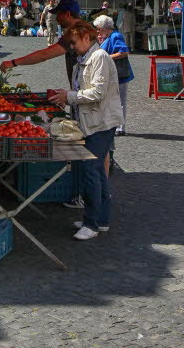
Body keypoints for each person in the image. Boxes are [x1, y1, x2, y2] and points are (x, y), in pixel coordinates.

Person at [48, 21, 123, 240]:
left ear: (85, 37)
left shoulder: (99, 57)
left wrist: (69, 97)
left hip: (100, 123)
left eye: (73, 41)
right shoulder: (83, 60)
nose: (71, 45)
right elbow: (82, 90)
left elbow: (96, 93)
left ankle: (91, 223)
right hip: (91, 122)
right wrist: (67, 96)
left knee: (91, 170)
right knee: (96, 171)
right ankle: (102, 219)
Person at [1, 0, 85, 86]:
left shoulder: (74, 33)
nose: (56, 18)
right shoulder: (84, 28)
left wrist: (13, 63)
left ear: (67, 14)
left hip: (85, 90)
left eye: (58, 14)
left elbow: (44, 55)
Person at [93, 14, 133, 135]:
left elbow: (124, 52)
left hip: (120, 74)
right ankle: (113, 124)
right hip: (112, 75)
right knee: (113, 100)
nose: (98, 31)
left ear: (105, 27)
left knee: (120, 101)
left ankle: (120, 127)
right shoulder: (107, 37)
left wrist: (106, 57)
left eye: (99, 28)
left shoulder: (116, 36)